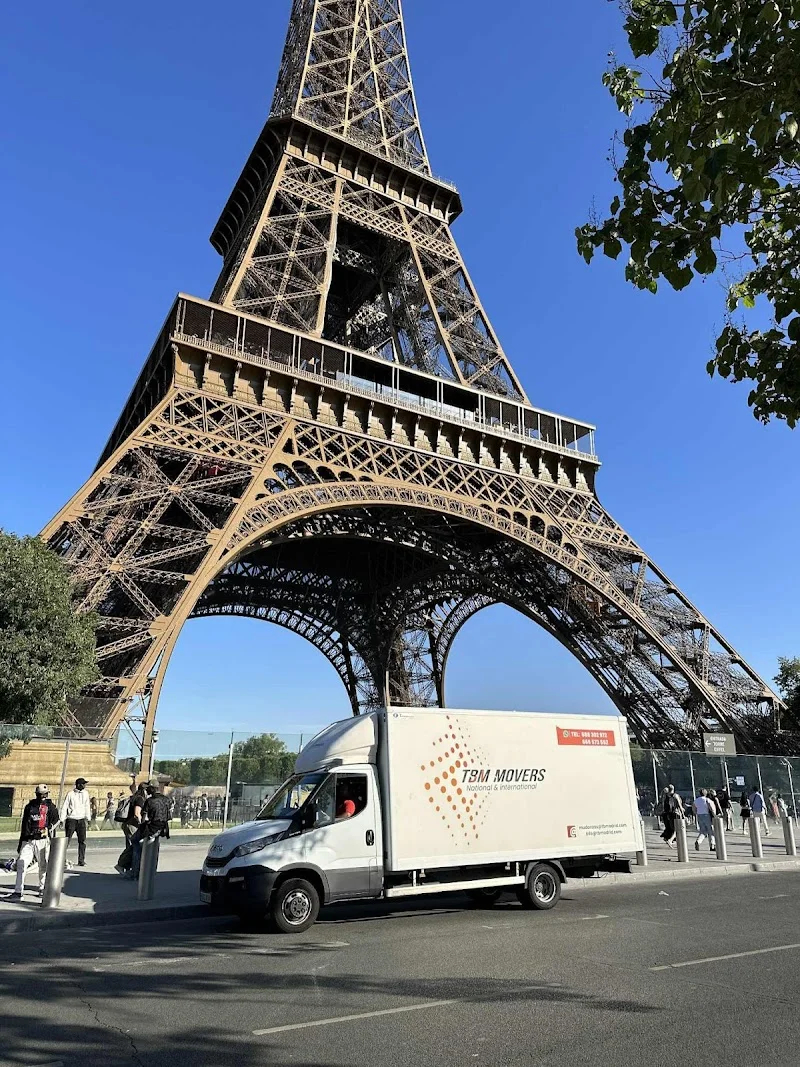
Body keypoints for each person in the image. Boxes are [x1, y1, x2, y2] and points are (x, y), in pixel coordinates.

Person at [9, 785, 59, 900]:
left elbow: (57, 820)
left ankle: (42, 888)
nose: (42, 796)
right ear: (36, 794)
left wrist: (48, 828)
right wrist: (21, 842)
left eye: (44, 794)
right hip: (29, 840)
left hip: (43, 840)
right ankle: (18, 891)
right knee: (21, 863)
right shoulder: (29, 807)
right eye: (40, 794)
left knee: (43, 865)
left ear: (47, 794)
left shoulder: (50, 807)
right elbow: (24, 825)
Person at [131, 784, 171, 879]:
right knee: (155, 849)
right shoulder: (166, 799)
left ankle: (136, 871)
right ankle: (152, 871)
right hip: (163, 827)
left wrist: (142, 824)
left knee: (135, 842)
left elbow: (144, 817)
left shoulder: (149, 801)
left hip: (152, 828)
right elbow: (168, 815)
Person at [115, 782, 146, 876]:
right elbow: (137, 813)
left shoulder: (133, 797)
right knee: (135, 847)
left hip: (127, 824)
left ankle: (126, 866)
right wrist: (141, 823)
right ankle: (122, 865)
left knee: (131, 846)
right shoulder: (140, 799)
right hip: (132, 825)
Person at [62, 777, 92, 866]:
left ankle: (81, 860)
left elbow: (87, 806)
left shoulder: (86, 793)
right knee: (67, 840)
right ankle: (62, 859)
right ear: (78, 785)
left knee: (82, 841)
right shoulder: (70, 794)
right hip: (71, 819)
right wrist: (62, 819)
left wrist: (88, 818)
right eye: (83, 784)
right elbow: (65, 806)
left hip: (81, 819)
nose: (85, 785)